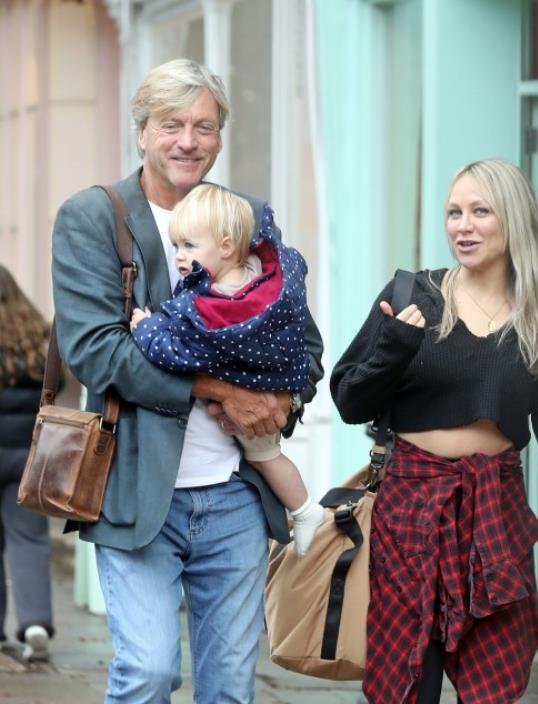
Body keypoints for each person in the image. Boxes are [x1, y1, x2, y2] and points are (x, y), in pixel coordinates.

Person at [51, 59, 323, 703]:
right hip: (136, 489)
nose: (188, 141)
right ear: (141, 132)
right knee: (147, 673)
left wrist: (282, 399)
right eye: (171, 124)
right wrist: (222, 390)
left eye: (204, 126)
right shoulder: (95, 217)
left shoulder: (246, 216)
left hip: (235, 495)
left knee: (230, 688)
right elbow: (96, 352)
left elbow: (301, 340)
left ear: (220, 136)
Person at [330, 159, 538, 704]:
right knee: (408, 684)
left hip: (495, 511)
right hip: (409, 509)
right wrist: (393, 349)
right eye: (455, 212)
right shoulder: (413, 295)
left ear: (514, 219)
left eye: (481, 211)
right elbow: (349, 400)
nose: (463, 226)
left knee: (494, 688)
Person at [130, 183, 324, 556]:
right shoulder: (265, 277)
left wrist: (145, 327)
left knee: (264, 455)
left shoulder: (218, 307)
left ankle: (304, 509)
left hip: (257, 396)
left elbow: (177, 353)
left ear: (224, 246)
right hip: (280, 376)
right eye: (177, 247)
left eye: (189, 246)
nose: (180, 258)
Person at [0, 265, 54, 661]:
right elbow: (57, 387)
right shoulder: (37, 333)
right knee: (30, 539)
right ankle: (34, 623)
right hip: (30, 454)